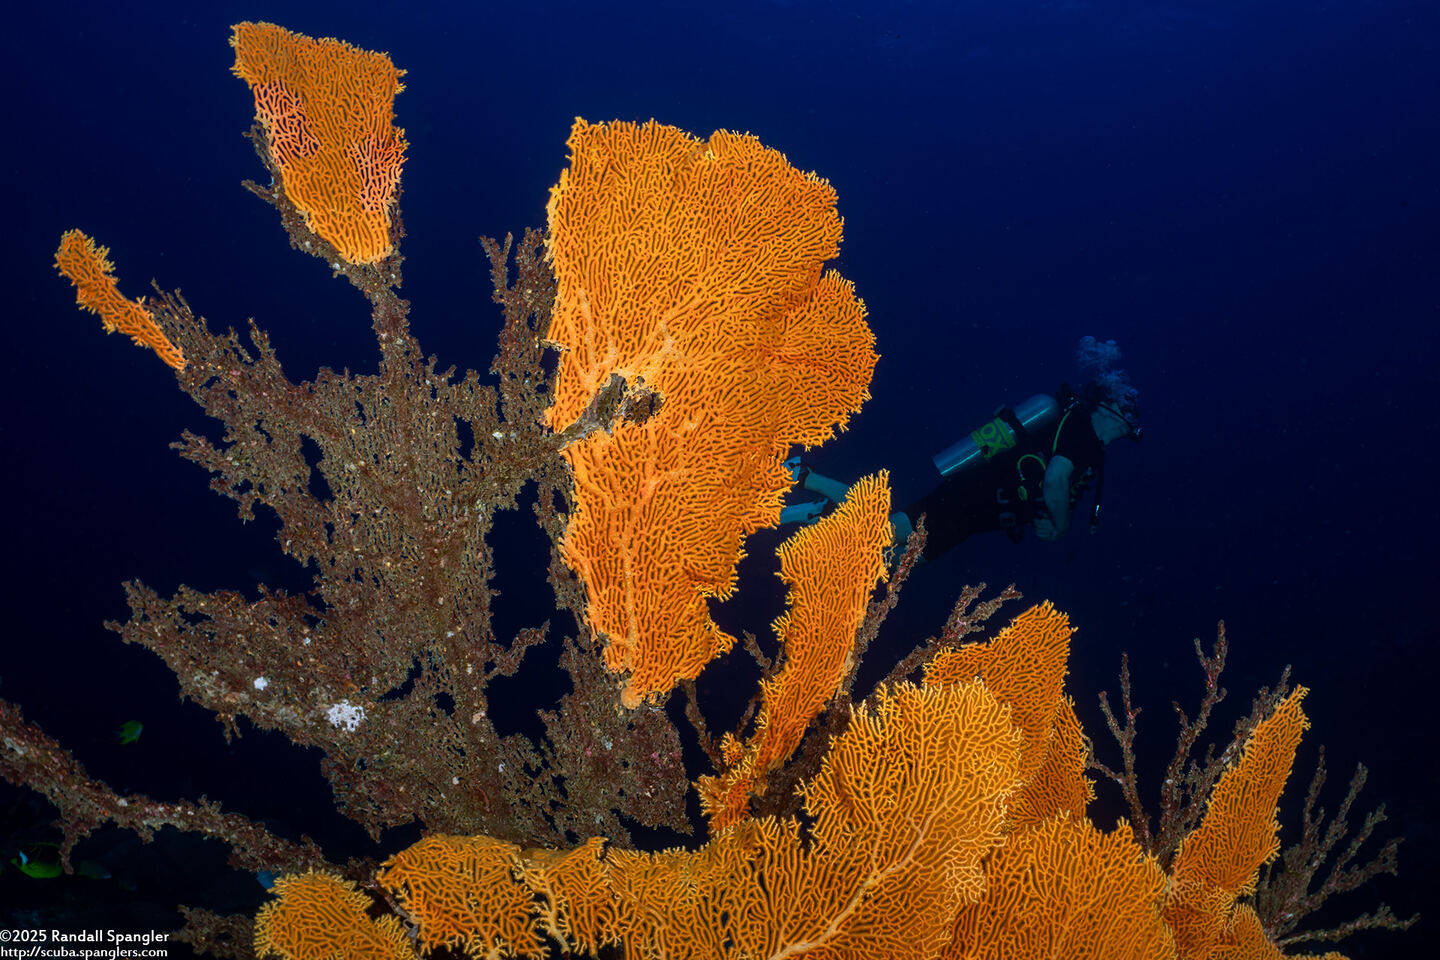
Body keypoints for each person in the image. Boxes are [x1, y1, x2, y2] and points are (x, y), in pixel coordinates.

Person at [782, 337, 1143, 562]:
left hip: (979, 514)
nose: (1132, 418)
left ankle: (817, 513)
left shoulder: (1083, 436)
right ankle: (806, 478)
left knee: (889, 560)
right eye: (1129, 408)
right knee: (885, 536)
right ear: (1106, 405)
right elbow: (1054, 480)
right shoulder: (1082, 431)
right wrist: (1062, 527)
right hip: (973, 496)